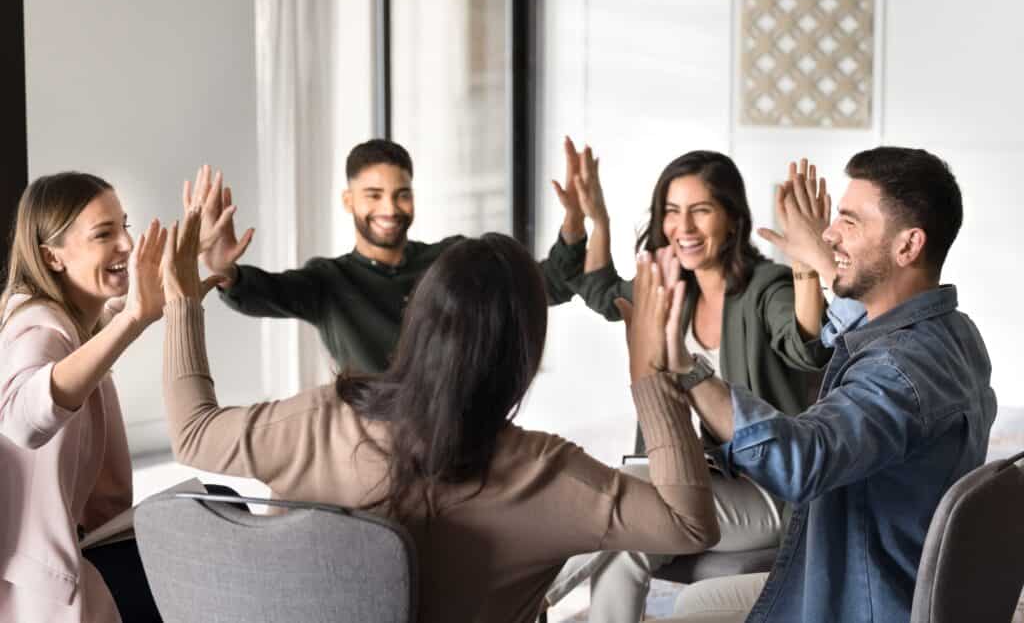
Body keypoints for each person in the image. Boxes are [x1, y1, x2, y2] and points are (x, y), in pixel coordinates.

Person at [156, 205, 721, 623]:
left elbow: (192, 432)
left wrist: (184, 303)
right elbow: (689, 525)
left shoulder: (319, 421)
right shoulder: (545, 474)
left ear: (418, 321)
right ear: (525, 352)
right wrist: (653, 372)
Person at [665, 147, 996, 622]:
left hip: (857, 600)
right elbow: (859, 323)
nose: (829, 233)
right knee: (692, 603)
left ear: (908, 246)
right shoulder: (954, 333)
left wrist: (684, 368)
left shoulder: (899, 370)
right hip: (870, 581)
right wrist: (828, 261)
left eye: (850, 222)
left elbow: (798, 462)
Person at [545, 143, 834, 622]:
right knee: (620, 520)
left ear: (732, 219)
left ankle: (512, 600)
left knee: (621, 508)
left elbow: (807, 343)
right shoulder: (671, 286)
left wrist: (807, 264)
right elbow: (598, 290)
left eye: (701, 210)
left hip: (768, 493)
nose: (684, 227)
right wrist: (597, 219)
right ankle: (528, 599)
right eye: (673, 212)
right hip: (693, 481)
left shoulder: (767, 286)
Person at [193, 138, 588, 373]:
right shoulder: (327, 282)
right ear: (349, 201)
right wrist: (224, 268)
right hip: (369, 445)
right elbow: (260, 291)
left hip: (455, 433)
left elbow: (546, 284)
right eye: (374, 195)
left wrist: (573, 220)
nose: (390, 208)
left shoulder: (452, 258)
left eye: (402, 194)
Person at [0, 173, 170, 623]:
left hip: (86, 546)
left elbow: (106, 322)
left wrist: (171, 281)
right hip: (44, 587)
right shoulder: (37, 329)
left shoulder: (70, 318)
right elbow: (20, 417)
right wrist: (133, 319)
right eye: (103, 234)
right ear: (51, 256)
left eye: (124, 226)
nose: (127, 245)